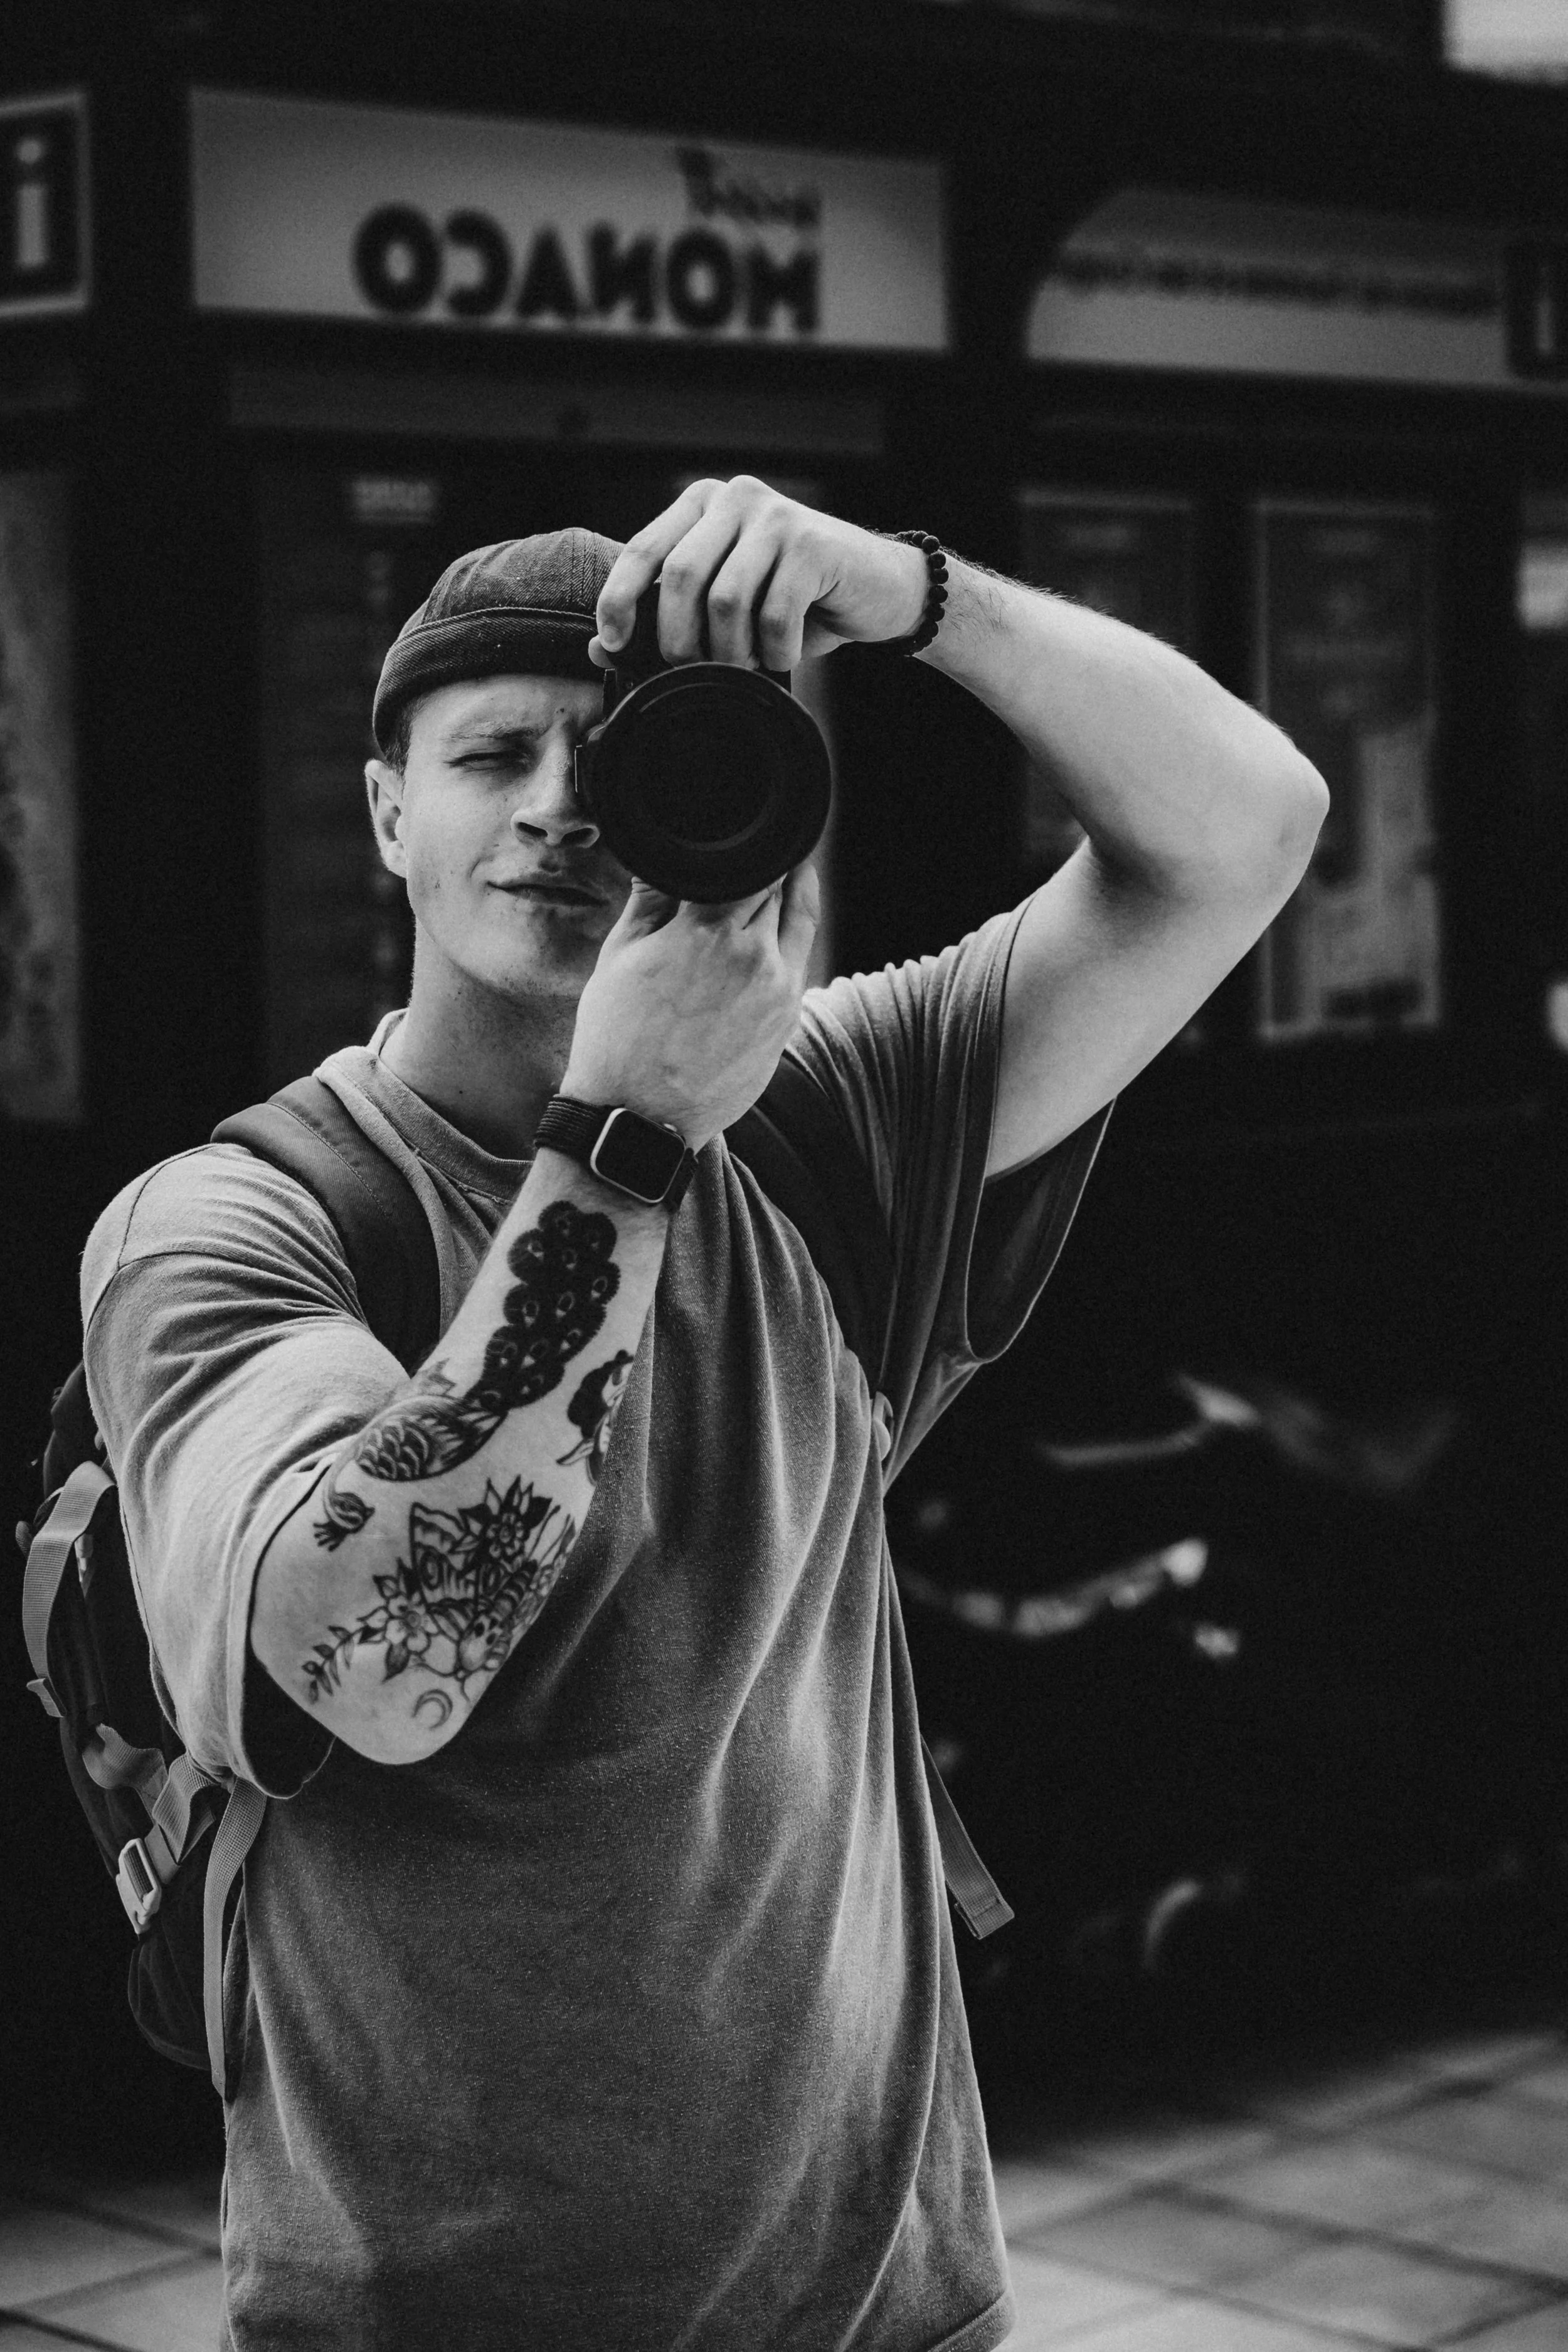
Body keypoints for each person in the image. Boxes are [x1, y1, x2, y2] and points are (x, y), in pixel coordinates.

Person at [80, 476, 1327, 2351]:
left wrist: (902, 593)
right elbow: (359, 1661)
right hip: (440, 2314)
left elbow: (1245, 826)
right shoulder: (245, 1220)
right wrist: (620, 1145)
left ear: (739, 787)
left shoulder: (827, 1123)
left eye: (626, 753)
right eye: (494, 754)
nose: (561, 806)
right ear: (383, 812)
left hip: (883, 2295)